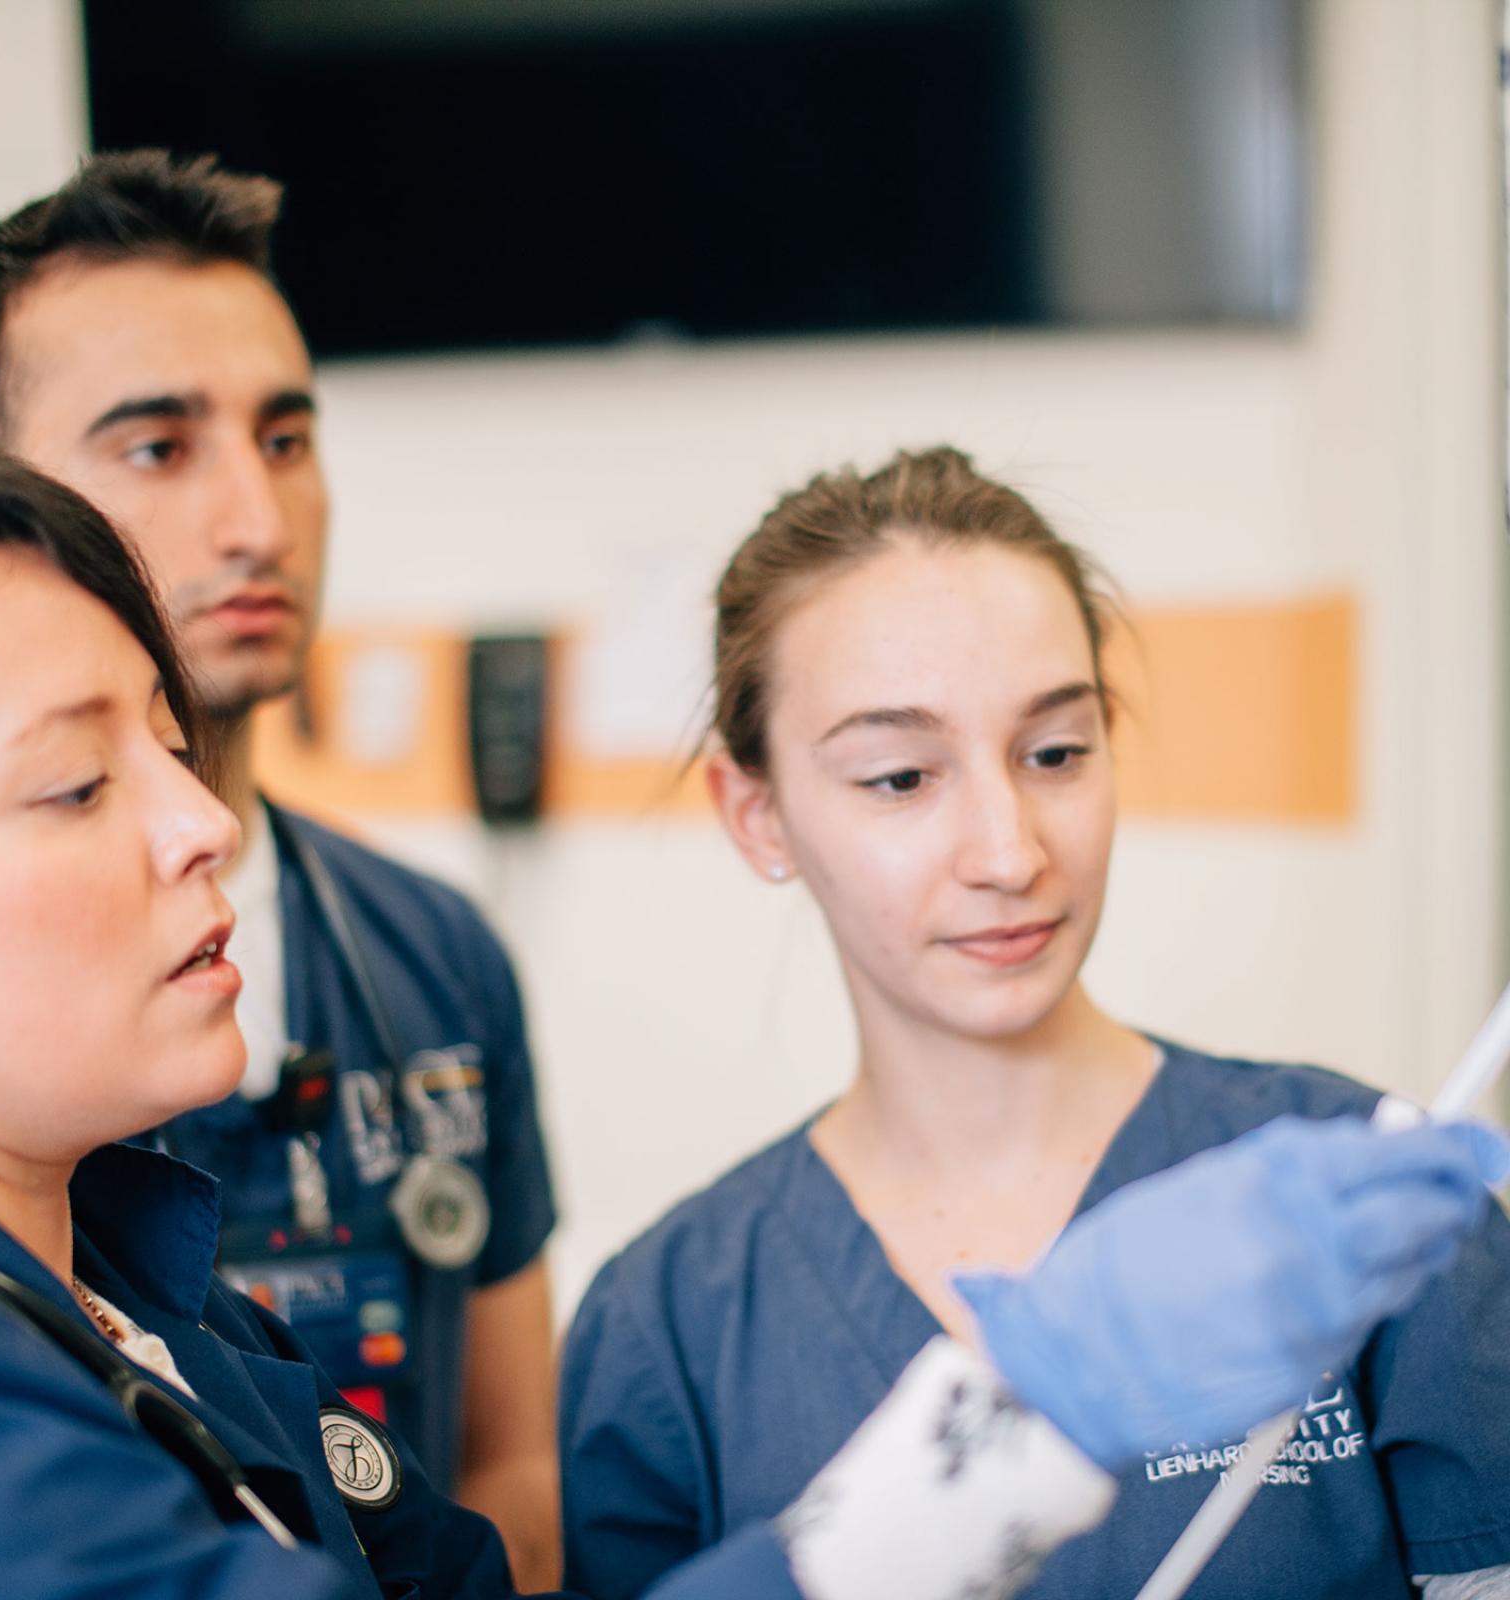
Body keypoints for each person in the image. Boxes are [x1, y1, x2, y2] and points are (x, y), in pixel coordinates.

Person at [0, 436, 1500, 1600]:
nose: (207, 825)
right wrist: (1031, 1419)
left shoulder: (188, 1325)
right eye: (73, 782)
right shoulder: (678, 1321)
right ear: (759, 812)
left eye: (176, 749)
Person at [559, 446, 1510, 1600]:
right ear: (757, 814)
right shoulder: (669, 1328)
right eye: (901, 777)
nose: (1011, 853)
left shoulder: (1364, 1209)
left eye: (1055, 753)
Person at [0, 151, 560, 1584]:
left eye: (285, 438)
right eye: (158, 447)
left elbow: (469, 1523)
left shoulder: (160, 1292)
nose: (254, 522)